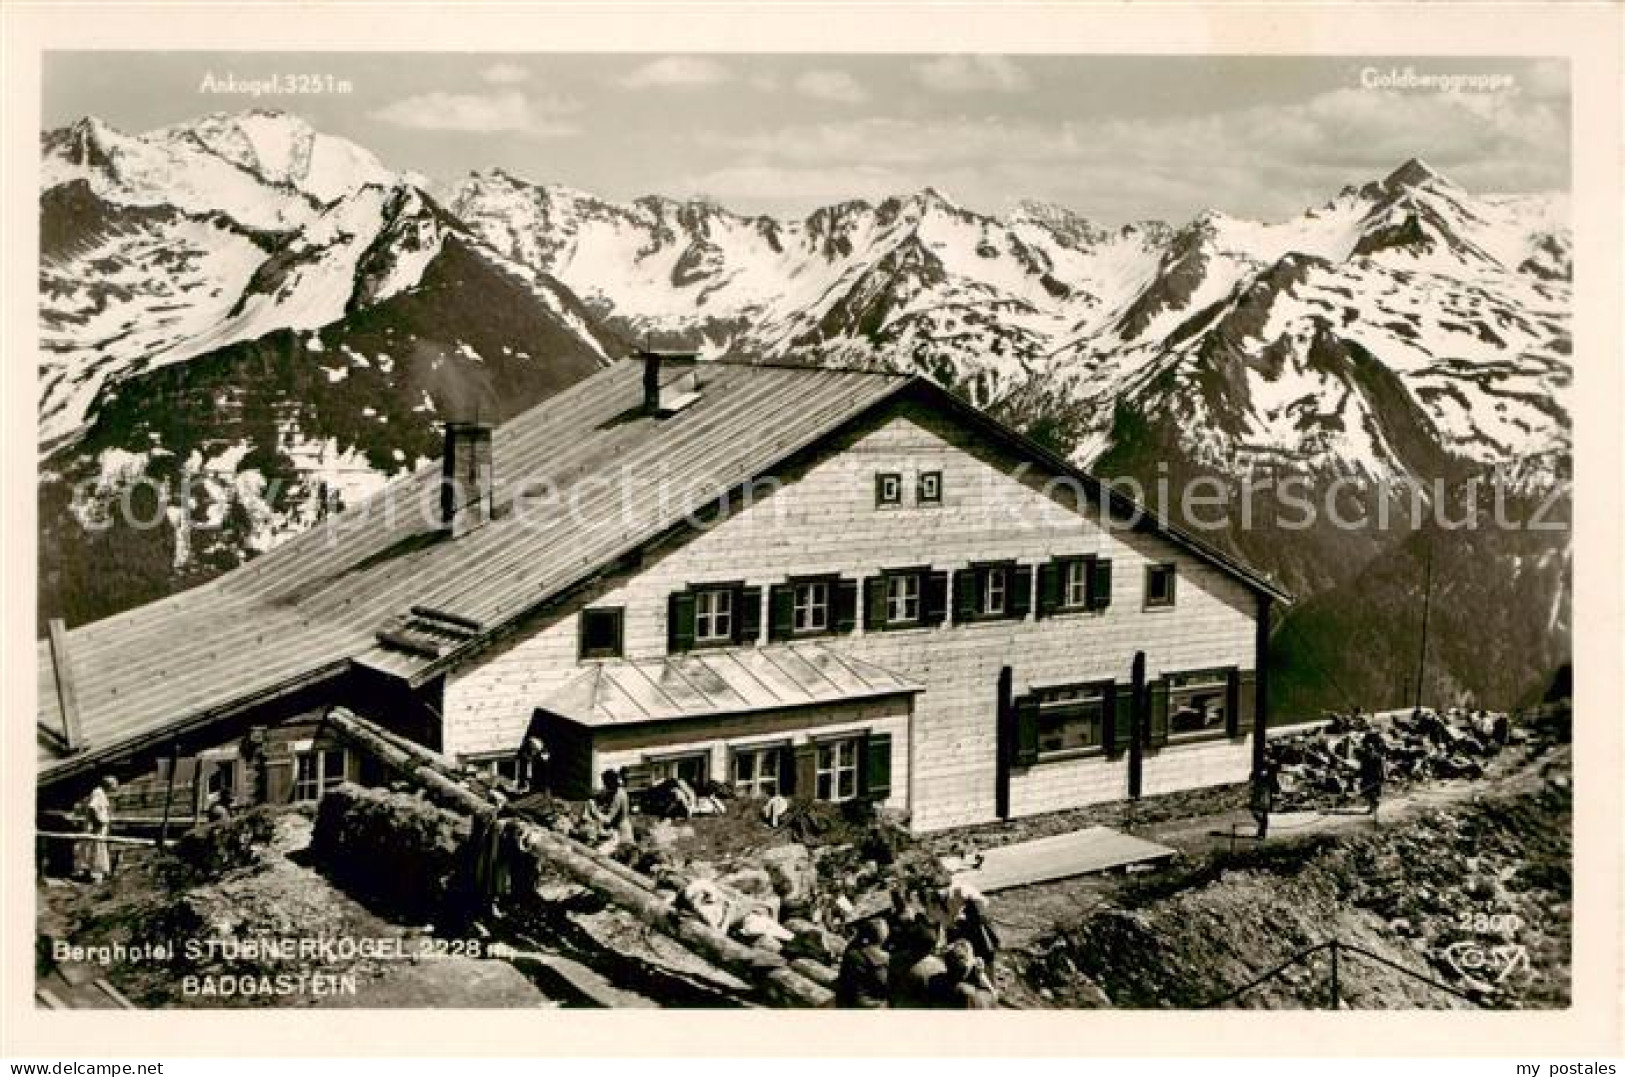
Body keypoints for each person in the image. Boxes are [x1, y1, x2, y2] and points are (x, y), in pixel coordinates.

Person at [834, 918, 891, 1008]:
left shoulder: (852, 950)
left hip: (845, 999)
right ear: (884, 937)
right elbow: (883, 985)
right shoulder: (884, 958)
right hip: (865, 1003)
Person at [929, 939, 998, 1009]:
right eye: (958, 958)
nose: (960, 962)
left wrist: (990, 988)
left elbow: (982, 978)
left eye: (962, 958)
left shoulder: (975, 964)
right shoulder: (952, 964)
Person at [584, 768, 634, 853]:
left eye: (605, 783)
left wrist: (594, 810)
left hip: (621, 834)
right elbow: (601, 795)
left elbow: (608, 819)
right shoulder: (614, 791)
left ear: (610, 782)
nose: (605, 786)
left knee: (600, 853)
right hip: (615, 831)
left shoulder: (618, 796)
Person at [78, 776, 117, 883]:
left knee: (93, 848)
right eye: (114, 784)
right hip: (96, 828)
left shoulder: (101, 792)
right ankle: (95, 875)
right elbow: (92, 807)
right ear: (109, 784)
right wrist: (99, 821)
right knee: (96, 849)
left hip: (97, 828)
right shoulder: (98, 793)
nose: (115, 787)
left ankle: (90, 873)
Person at [1359, 733, 1387, 817]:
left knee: (1375, 793)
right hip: (1367, 777)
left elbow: (1382, 767)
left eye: (1370, 749)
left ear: (1373, 749)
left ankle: (1374, 807)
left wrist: (1383, 776)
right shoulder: (1364, 757)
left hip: (1375, 777)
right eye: (1367, 749)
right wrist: (1360, 775)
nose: (1368, 750)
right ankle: (1372, 807)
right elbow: (1362, 767)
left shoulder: (1378, 757)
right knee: (1368, 793)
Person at [1249, 763, 1276, 839]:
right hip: (1257, 799)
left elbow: (1273, 786)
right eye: (1262, 771)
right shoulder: (1257, 778)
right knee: (1255, 813)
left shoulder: (1269, 779)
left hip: (1265, 799)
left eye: (1264, 771)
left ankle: (1262, 834)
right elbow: (1251, 779)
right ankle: (1262, 830)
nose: (1263, 772)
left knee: (1264, 817)